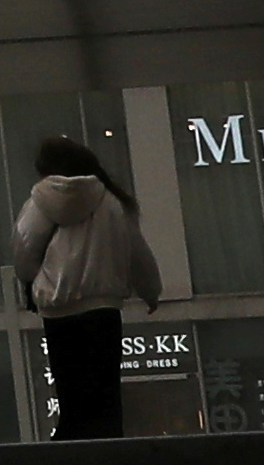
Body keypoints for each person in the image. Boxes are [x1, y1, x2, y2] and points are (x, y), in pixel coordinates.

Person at [11, 133, 164, 441]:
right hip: (102, 310)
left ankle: (71, 460)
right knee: (104, 397)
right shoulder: (112, 203)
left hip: (58, 311)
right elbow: (136, 251)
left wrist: (31, 279)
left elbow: (24, 248)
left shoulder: (39, 203)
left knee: (71, 398)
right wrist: (151, 291)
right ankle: (109, 460)